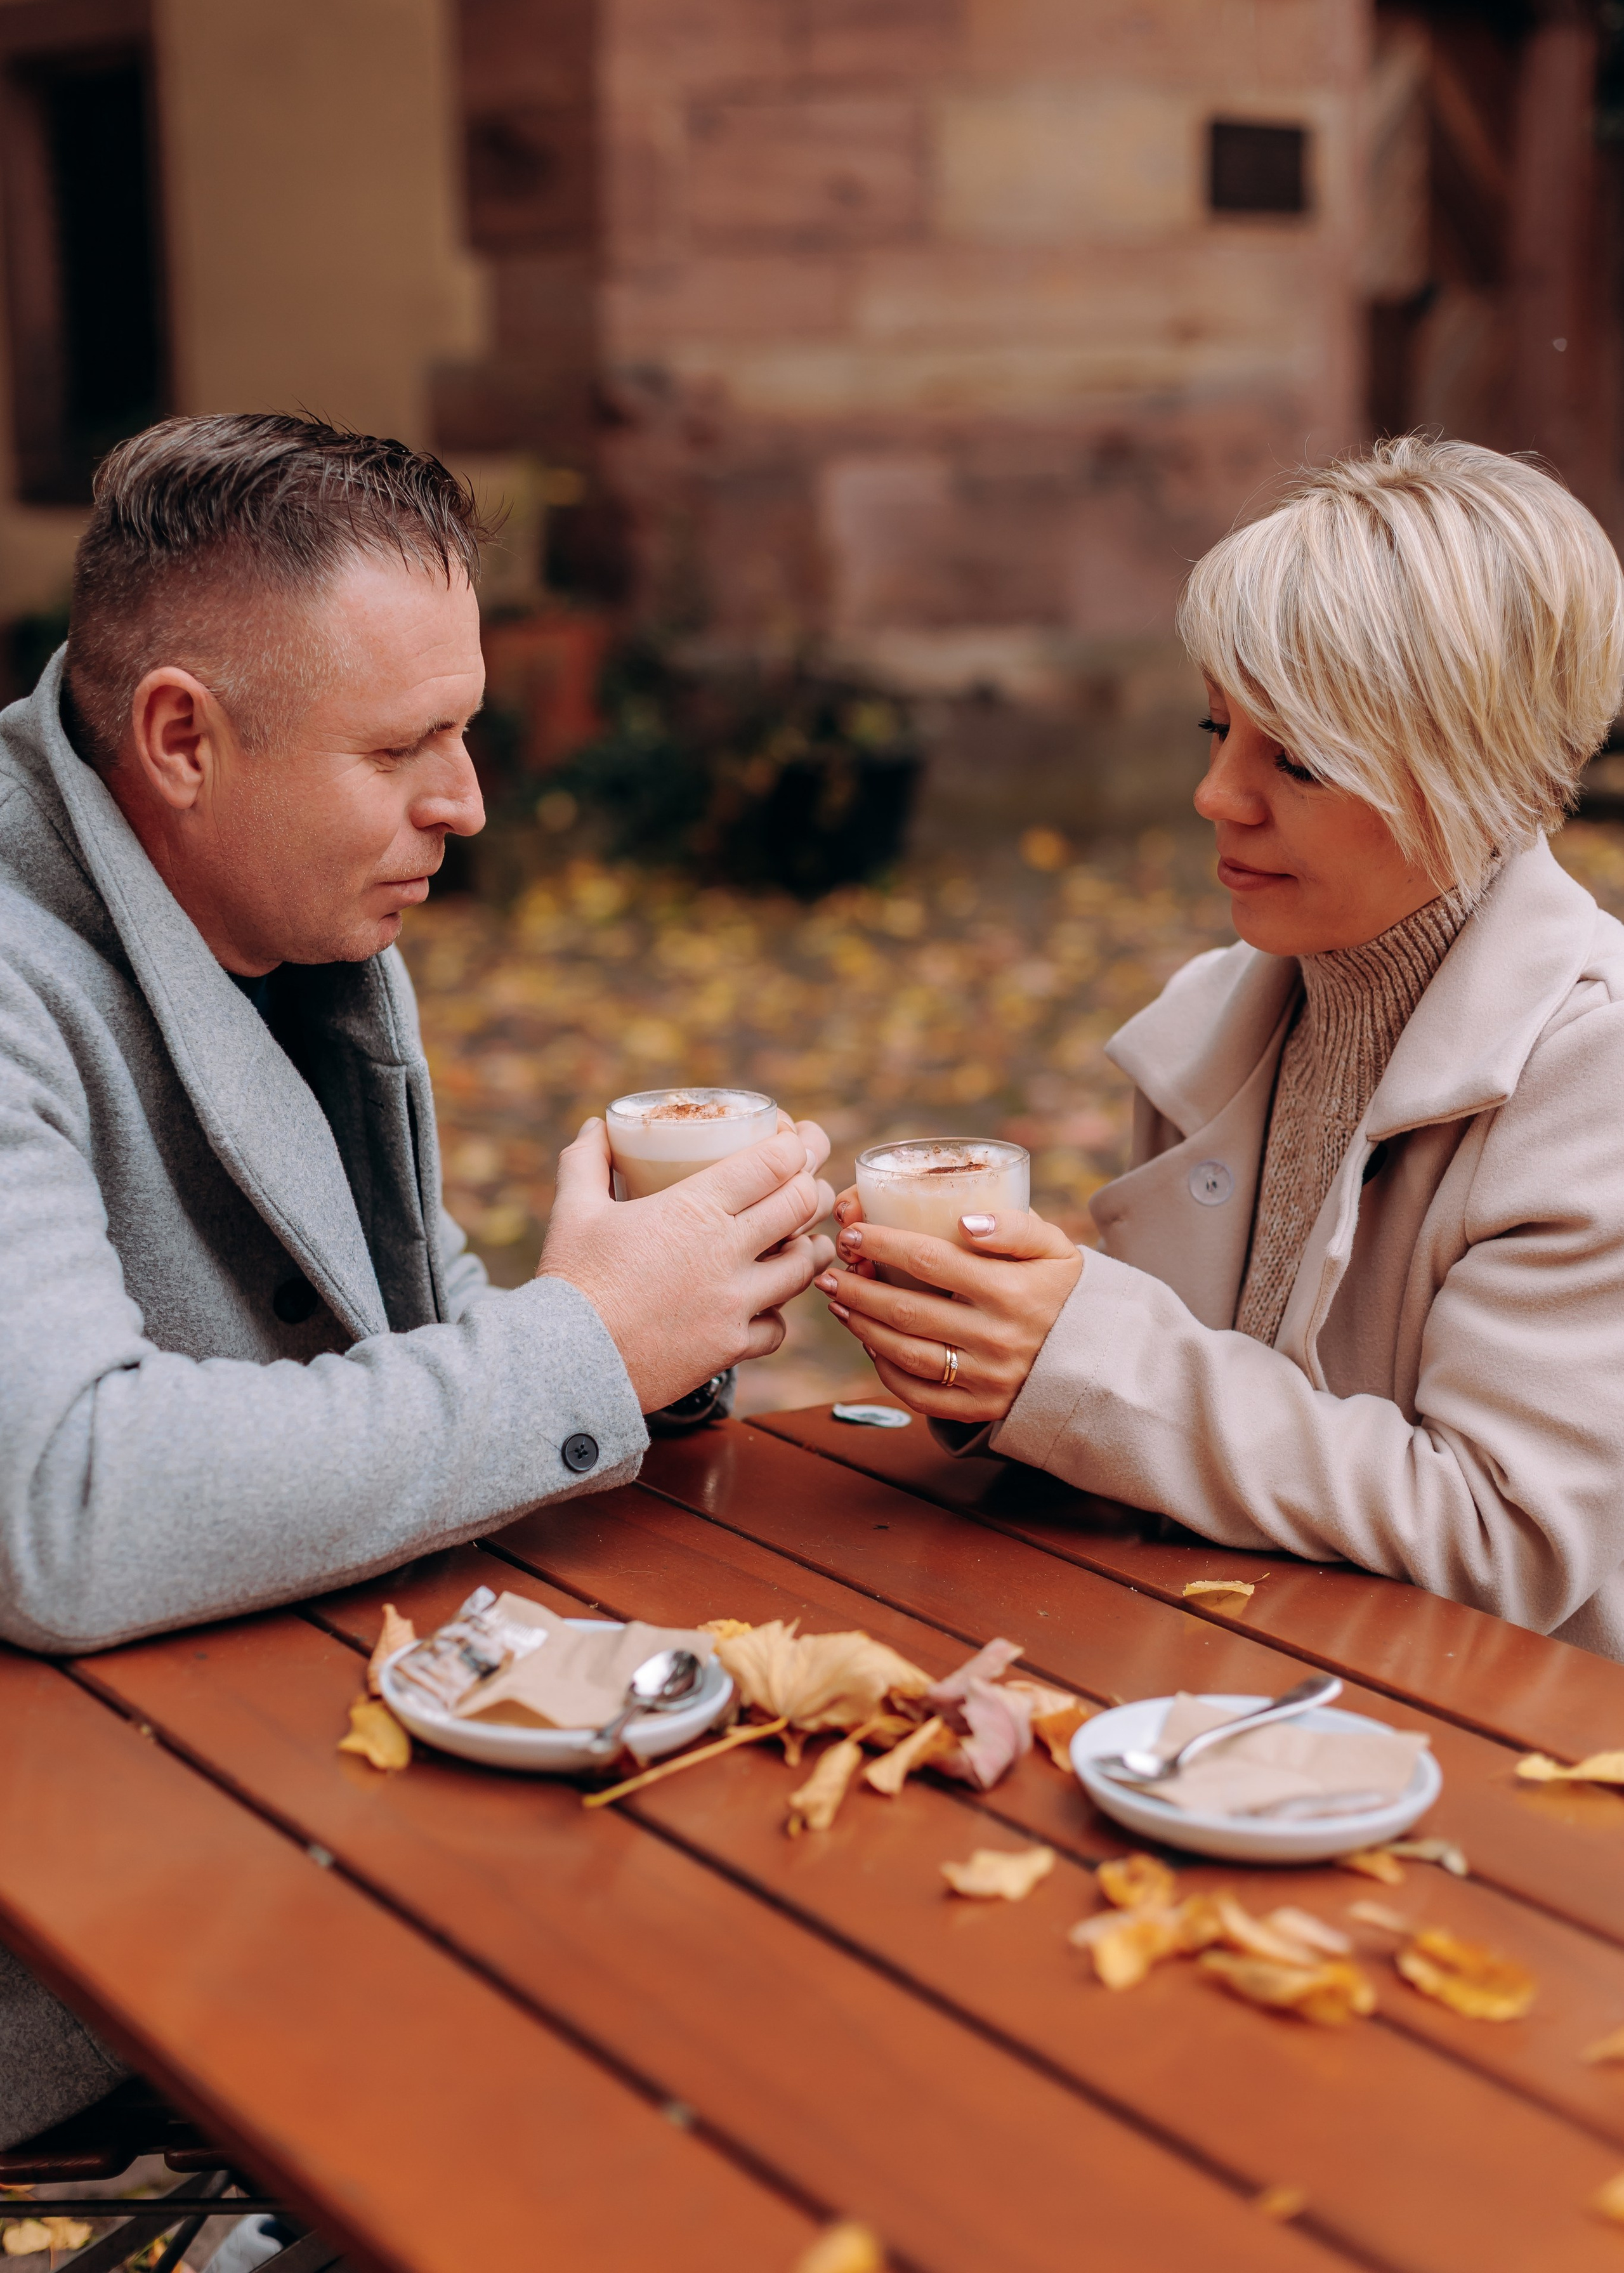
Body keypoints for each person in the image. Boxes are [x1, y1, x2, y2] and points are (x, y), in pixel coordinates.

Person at [0, 412, 832, 2143]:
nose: (465, 800)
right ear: (181, 739)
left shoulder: (284, 922)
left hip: (308, 1788)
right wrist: (581, 1345)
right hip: (93, 1962)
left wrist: (664, 1325)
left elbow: (433, 1351)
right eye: (406, 747)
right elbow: (67, 1505)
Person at [821, 436, 1624, 1661]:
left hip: (1489, 1766)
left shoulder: (1593, 1073)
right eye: (1217, 727)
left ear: (1484, 771)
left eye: (1295, 758)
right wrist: (994, 1366)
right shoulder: (1214, 1019)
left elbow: (1502, 1541)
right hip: (1206, 1697)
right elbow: (1197, 1456)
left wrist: (1082, 1357)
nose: (1217, 795)